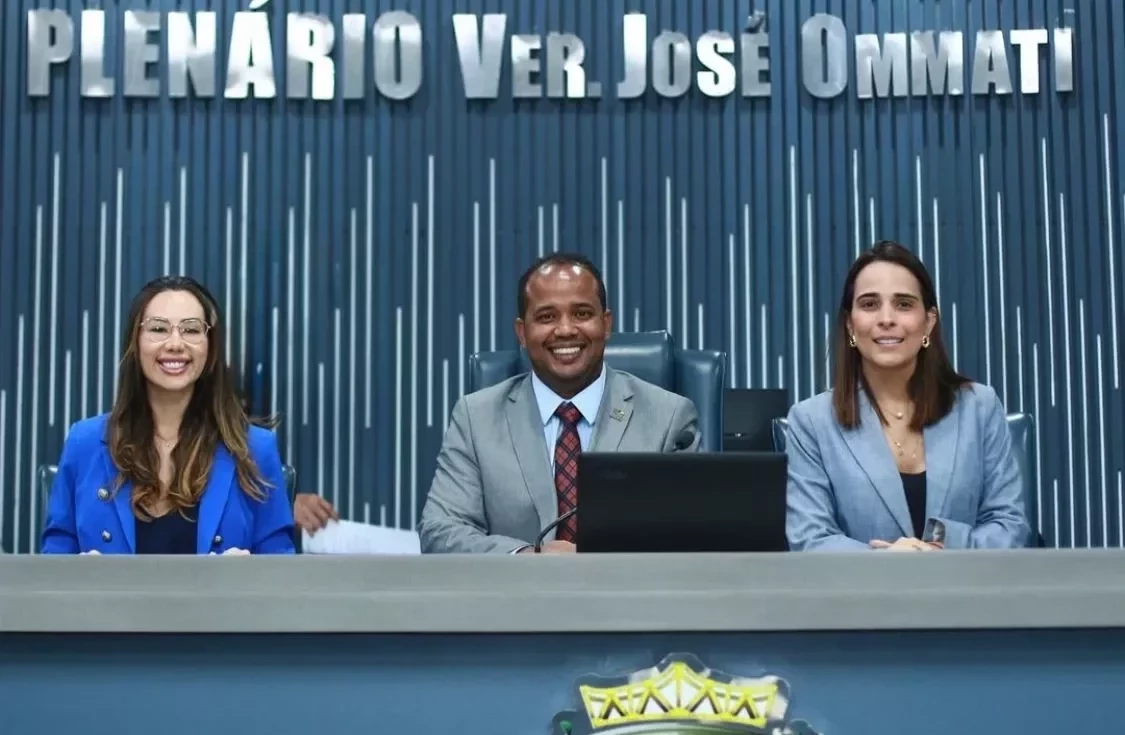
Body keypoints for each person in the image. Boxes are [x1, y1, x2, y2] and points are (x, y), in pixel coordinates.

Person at [418, 253, 701, 554]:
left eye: (582, 313)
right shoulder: (476, 419)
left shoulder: (669, 418)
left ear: (606, 324)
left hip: (624, 585)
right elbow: (440, 530)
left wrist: (592, 562)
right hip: (515, 584)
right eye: (546, 317)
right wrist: (528, 557)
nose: (566, 330)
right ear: (522, 332)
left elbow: (689, 537)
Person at [785, 241, 1030, 551]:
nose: (886, 318)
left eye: (903, 304)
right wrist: (884, 562)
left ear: (929, 321)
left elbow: (1010, 526)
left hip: (964, 582)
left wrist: (941, 547)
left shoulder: (979, 407)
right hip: (859, 585)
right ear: (850, 324)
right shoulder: (811, 421)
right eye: (869, 304)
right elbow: (810, 539)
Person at [40, 276, 295, 555]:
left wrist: (248, 575)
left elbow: (280, 566)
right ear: (135, 343)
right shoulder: (84, 442)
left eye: (191, 330)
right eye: (159, 329)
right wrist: (79, 572)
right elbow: (55, 557)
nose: (175, 343)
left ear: (210, 346)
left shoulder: (255, 448)